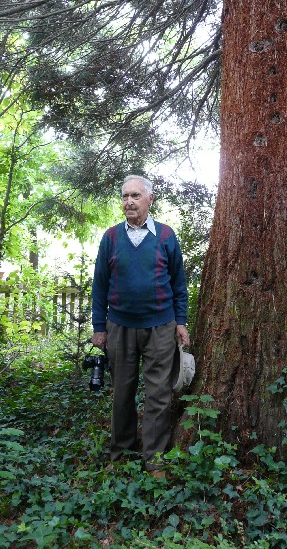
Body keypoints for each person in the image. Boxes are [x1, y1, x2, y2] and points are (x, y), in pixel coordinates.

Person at [91, 174, 189, 475]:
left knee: (158, 394)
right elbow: (100, 285)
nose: (129, 201)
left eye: (135, 196)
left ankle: (154, 459)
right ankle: (120, 453)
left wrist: (181, 322)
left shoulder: (165, 236)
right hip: (120, 326)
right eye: (124, 196)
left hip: (160, 326)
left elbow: (178, 282)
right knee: (122, 391)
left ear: (150, 199)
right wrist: (99, 327)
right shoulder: (110, 238)